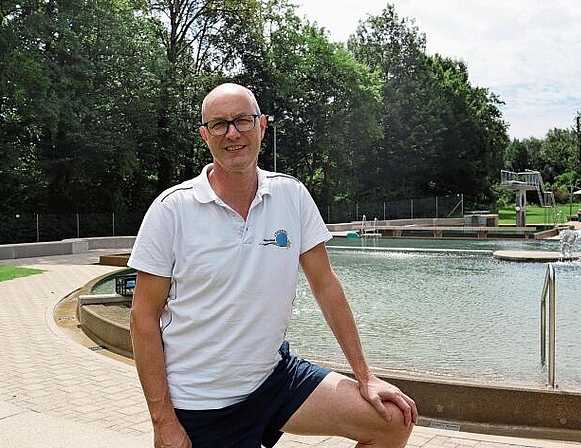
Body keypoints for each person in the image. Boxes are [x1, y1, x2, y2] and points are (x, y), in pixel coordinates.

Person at [128, 82, 418, 448]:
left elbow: (326, 286)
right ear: (205, 135)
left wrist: (366, 376)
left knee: (391, 421)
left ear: (261, 126)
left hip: (274, 381)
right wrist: (163, 420)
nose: (232, 133)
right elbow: (142, 317)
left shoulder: (291, 195)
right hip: (202, 403)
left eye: (242, 121)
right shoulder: (172, 209)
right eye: (219, 124)